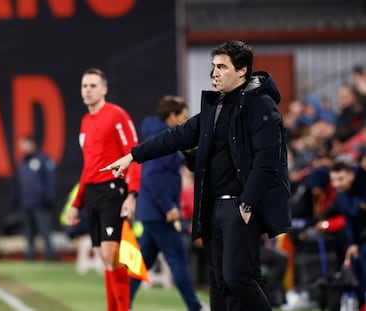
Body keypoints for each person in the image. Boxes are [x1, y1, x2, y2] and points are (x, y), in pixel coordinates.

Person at [102, 40, 291, 310]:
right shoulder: (216, 106)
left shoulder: (261, 106)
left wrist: (247, 203)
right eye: (213, 66)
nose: (214, 72)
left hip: (239, 206)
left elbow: (267, 160)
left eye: (222, 67)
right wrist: (133, 156)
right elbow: (175, 136)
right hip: (214, 208)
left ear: (242, 71)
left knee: (238, 278)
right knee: (219, 283)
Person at [66, 68, 141, 311]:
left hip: (112, 191)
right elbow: (88, 166)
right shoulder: (86, 121)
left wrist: (132, 193)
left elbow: (134, 154)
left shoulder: (116, 115)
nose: (87, 90)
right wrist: (76, 203)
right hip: (92, 194)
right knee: (105, 259)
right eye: (84, 86)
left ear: (104, 89)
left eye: (93, 85)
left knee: (111, 256)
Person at [129, 95, 208, 311]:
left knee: (143, 261)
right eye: (183, 116)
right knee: (178, 260)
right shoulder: (162, 139)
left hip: (152, 211)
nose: (185, 121)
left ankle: (122, 303)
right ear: (171, 116)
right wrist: (169, 207)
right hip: (160, 213)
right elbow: (153, 177)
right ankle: (195, 306)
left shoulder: (158, 135)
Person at [328, 160, 366, 310]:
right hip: (360, 238)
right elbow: (349, 220)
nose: (336, 184)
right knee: (357, 264)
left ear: (351, 175)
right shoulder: (343, 194)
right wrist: (352, 243)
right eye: (333, 180)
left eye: (340, 179)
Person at [15, 135, 56, 261]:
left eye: (25, 144)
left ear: (32, 144)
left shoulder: (44, 160)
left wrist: (49, 198)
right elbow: (20, 182)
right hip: (26, 202)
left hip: (40, 203)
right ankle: (30, 256)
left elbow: (51, 180)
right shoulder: (22, 161)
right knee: (28, 232)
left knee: (45, 231)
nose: (22, 148)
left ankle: (49, 256)